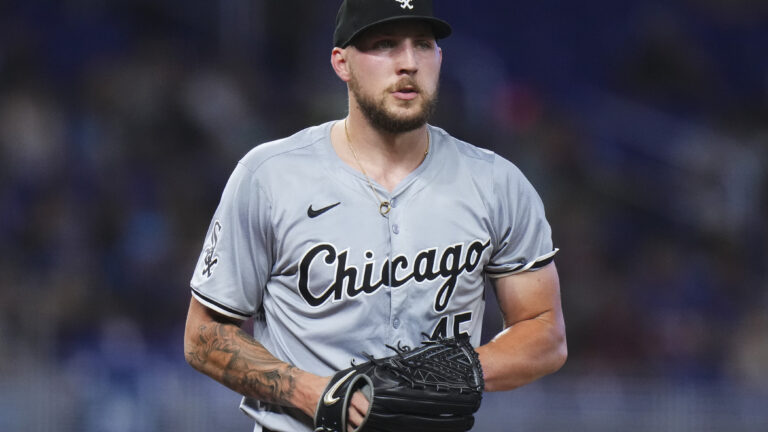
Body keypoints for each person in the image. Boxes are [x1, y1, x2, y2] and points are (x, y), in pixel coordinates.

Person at [183, 1, 567, 431]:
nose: (408, 63)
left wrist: (453, 372)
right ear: (341, 63)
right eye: (384, 45)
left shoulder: (497, 184)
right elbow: (204, 336)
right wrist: (311, 392)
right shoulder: (270, 177)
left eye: (423, 45)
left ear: (439, 58)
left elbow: (544, 332)